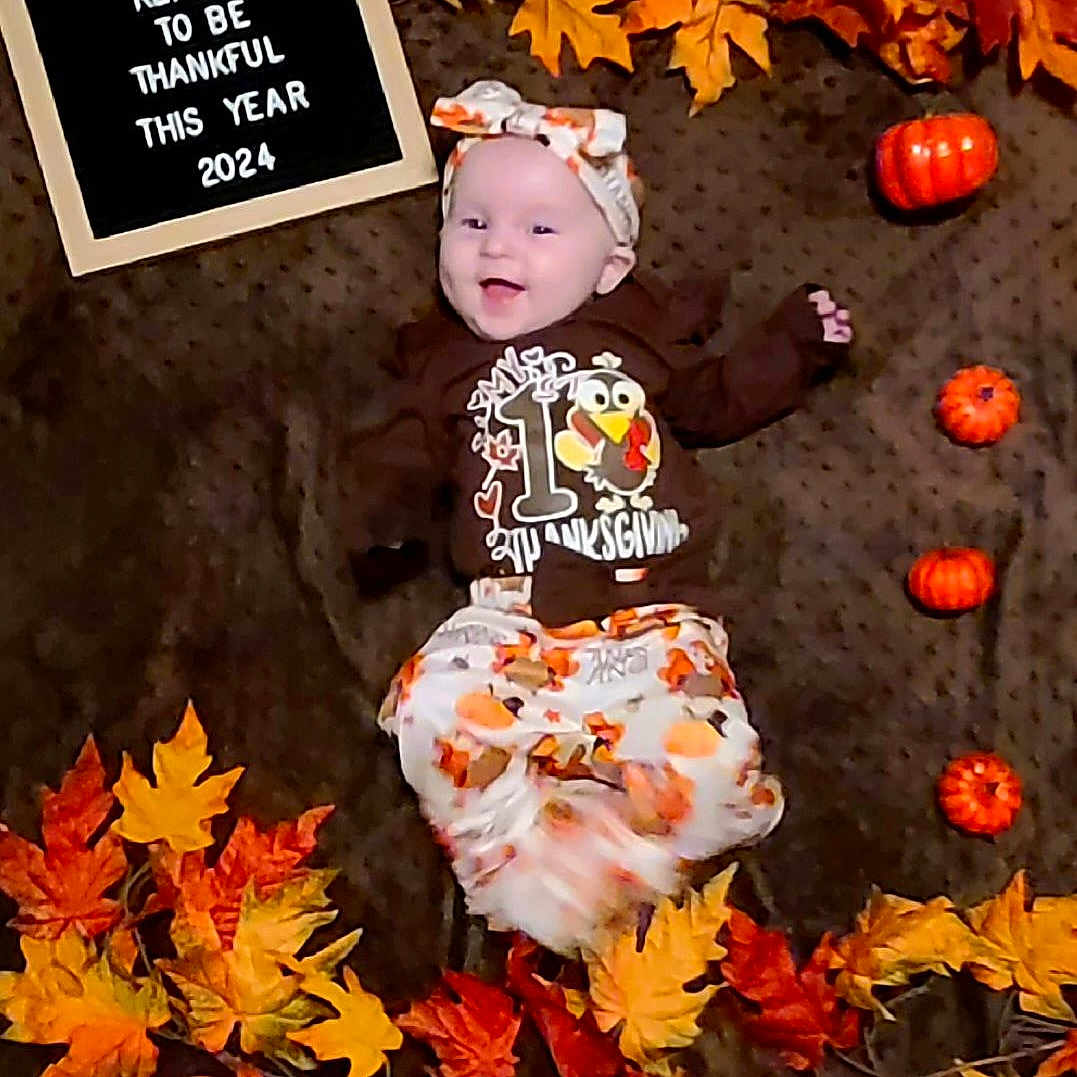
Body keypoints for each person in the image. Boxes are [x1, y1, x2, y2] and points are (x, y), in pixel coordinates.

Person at [361, 79, 852, 955]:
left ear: (610, 266)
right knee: (427, 707)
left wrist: (792, 345)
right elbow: (403, 448)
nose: (498, 247)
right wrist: (387, 510)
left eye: (540, 229)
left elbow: (715, 403)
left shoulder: (638, 339)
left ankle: (607, 840)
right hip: (510, 619)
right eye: (471, 224)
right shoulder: (441, 362)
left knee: (713, 762)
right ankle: (512, 857)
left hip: (652, 618)